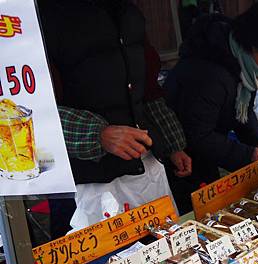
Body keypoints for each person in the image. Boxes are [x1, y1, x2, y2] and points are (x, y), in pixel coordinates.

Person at [39, 0, 192, 238]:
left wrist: (174, 145)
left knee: (163, 251)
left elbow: (148, 89)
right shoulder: (47, 16)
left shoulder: (130, 13)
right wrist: (98, 135)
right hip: (87, 179)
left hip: (146, 164)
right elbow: (33, 111)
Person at [165, 0, 258, 213]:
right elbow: (198, 135)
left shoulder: (241, 62)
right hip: (182, 164)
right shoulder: (210, 75)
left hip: (204, 155)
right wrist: (247, 154)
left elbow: (242, 111)